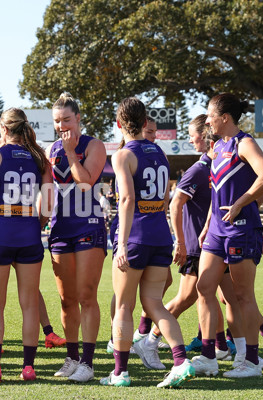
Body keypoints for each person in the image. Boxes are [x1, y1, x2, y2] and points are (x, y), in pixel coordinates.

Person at [100, 97, 194, 389]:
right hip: (159, 235)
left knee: (124, 306)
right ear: (144, 123)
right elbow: (164, 197)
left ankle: (120, 372)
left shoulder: (123, 154)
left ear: (119, 123)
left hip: (137, 236)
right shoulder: (161, 153)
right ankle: (180, 361)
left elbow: (127, 199)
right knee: (154, 303)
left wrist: (123, 244)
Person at [192, 93, 263, 378]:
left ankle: (251, 361)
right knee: (203, 288)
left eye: (210, 115)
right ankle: (207, 356)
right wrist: (206, 227)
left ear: (224, 118)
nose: (207, 120)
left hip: (241, 230)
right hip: (216, 230)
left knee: (242, 295)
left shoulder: (245, 143)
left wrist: (242, 202)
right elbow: (217, 191)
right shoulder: (218, 145)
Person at [0, 108, 53, 382]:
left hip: (0, 230)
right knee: (29, 303)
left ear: (3, 128)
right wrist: (37, 223)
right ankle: (28, 367)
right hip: (29, 232)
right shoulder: (39, 158)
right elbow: (49, 204)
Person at [46, 92, 107, 383]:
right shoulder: (50, 149)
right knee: (66, 300)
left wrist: (71, 153)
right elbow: (46, 192)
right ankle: (71, 358)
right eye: (57, 121)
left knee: (86, 295)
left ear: (78, 118)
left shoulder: (93, 145)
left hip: (88, 227)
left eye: (66, 119)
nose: (61, 126)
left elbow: (85, 183)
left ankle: (88, 362)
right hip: (59, 229)